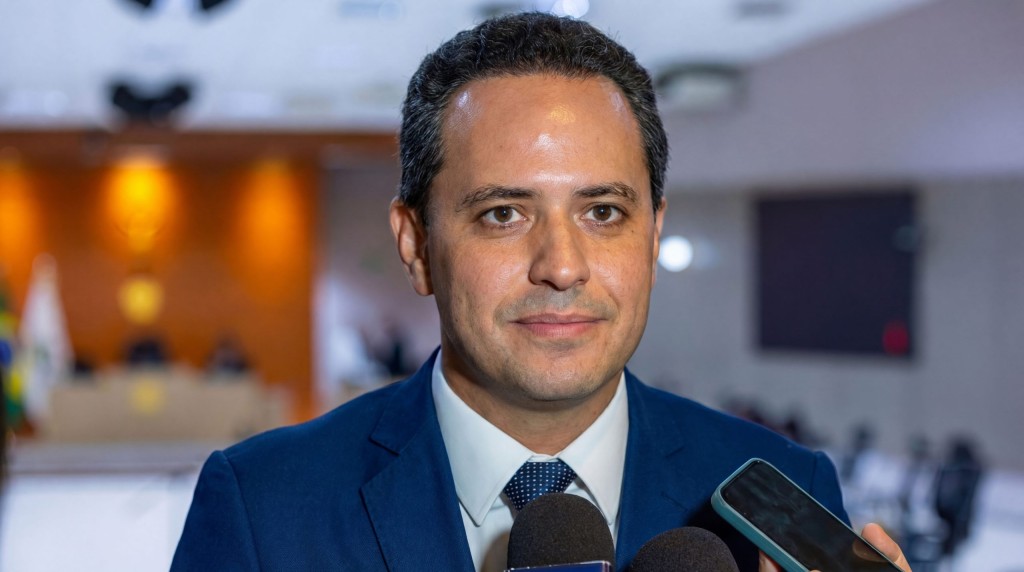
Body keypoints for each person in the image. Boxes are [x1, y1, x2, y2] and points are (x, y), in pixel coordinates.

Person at [172, 12, 911, 572]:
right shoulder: (262, 507)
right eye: (503, 214)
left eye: (603, 212)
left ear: (653, 238)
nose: (562, 266)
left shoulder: (785, 490)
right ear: (416, 245)